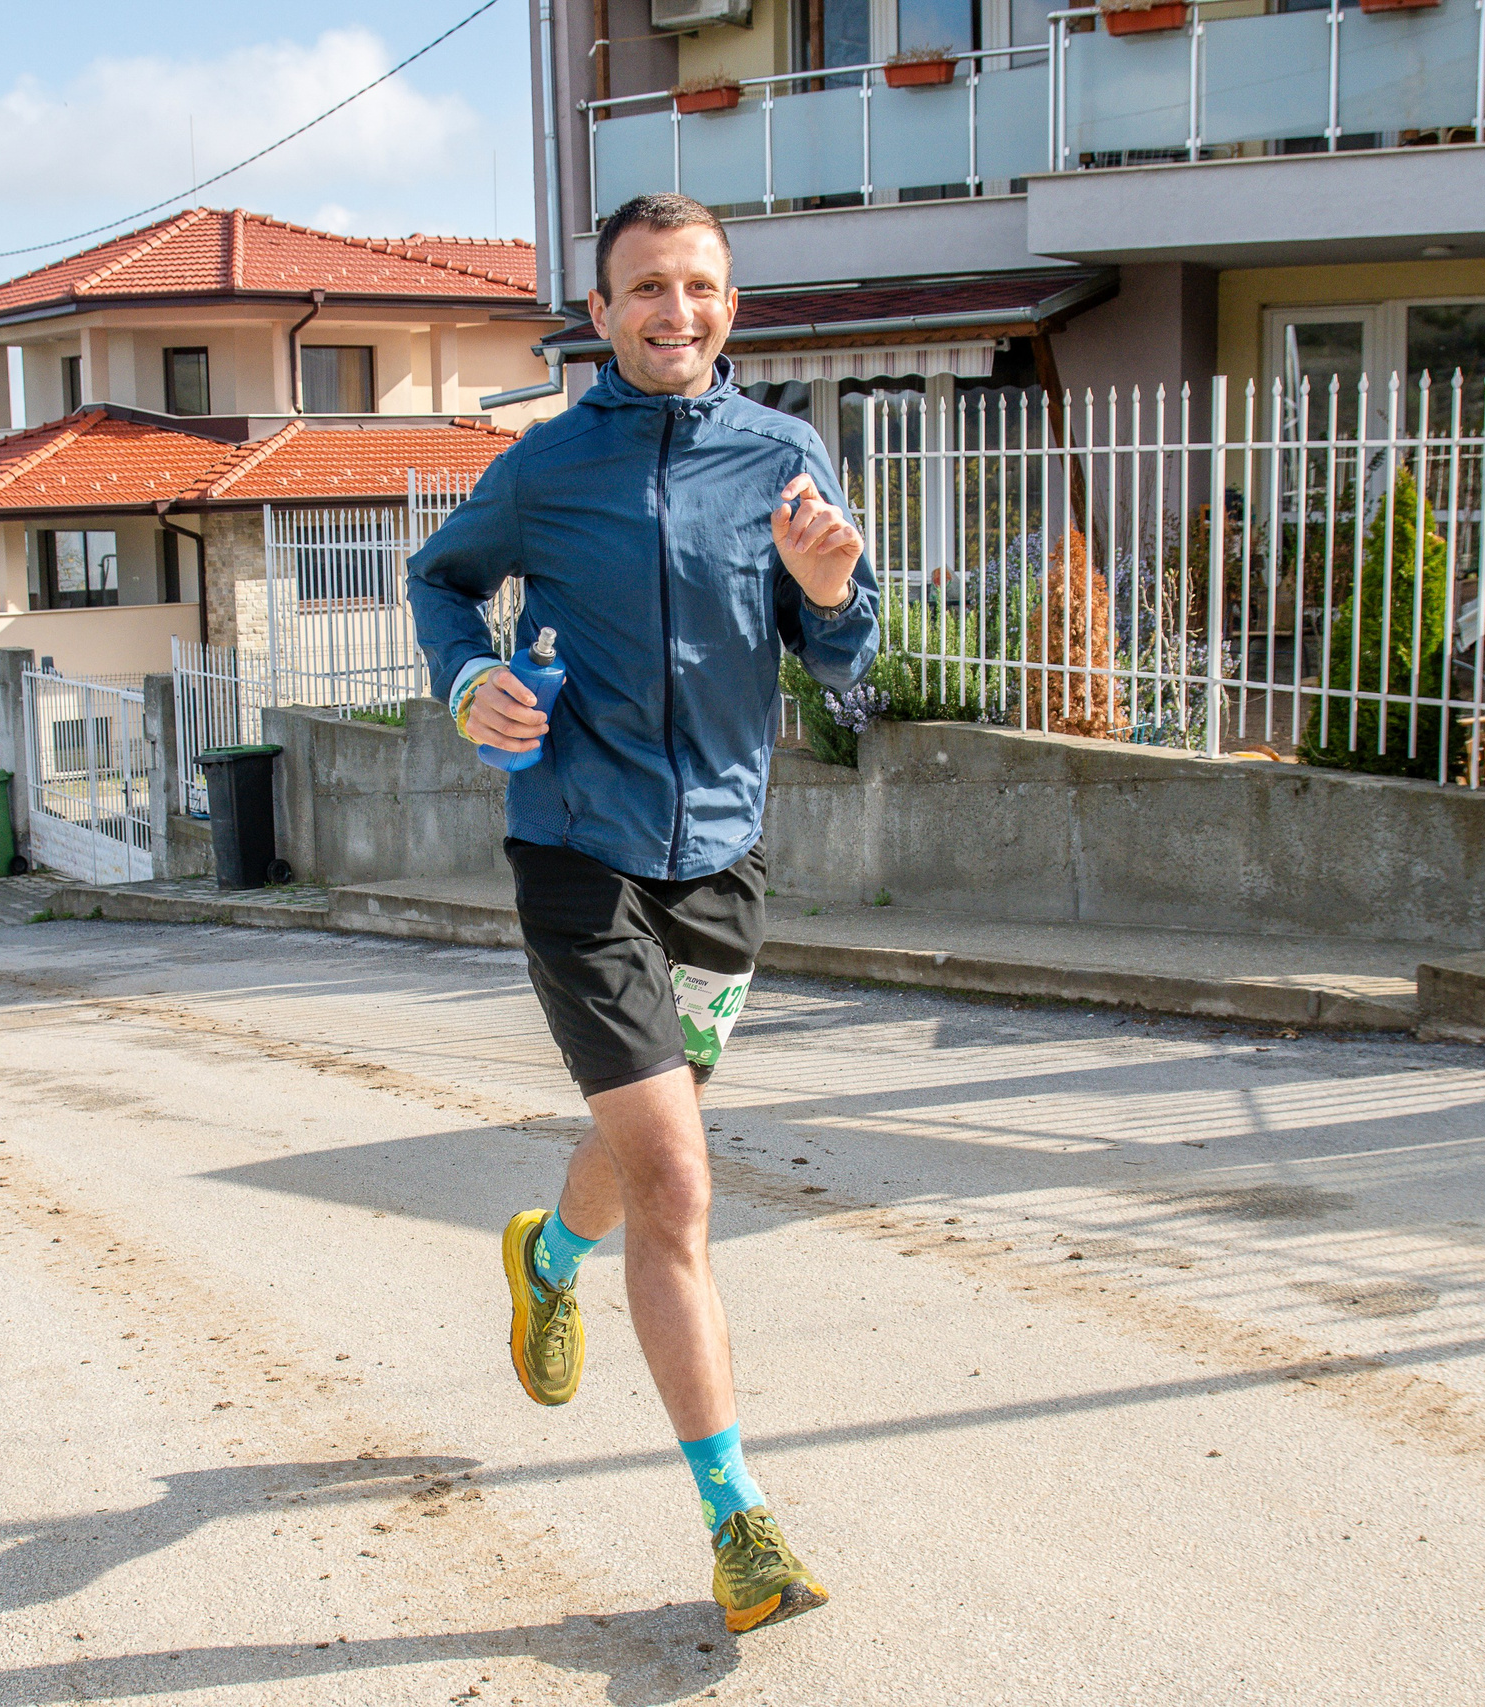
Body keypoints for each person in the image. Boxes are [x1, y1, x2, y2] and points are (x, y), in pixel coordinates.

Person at [406, 193, 879, 1634]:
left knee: (644, 1137)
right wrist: (459, 679)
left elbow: (839, 645)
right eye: (649, 289)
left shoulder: (783, 455)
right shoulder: (546, 468)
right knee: (676, 1180)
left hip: (723, 858)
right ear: (600, 314)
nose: (681, 312)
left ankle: (547, 1253)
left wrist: (837, 594)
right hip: (577, 849)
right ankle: (739, 1521)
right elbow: (441, 581)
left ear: (730, 302)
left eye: (704, 287)